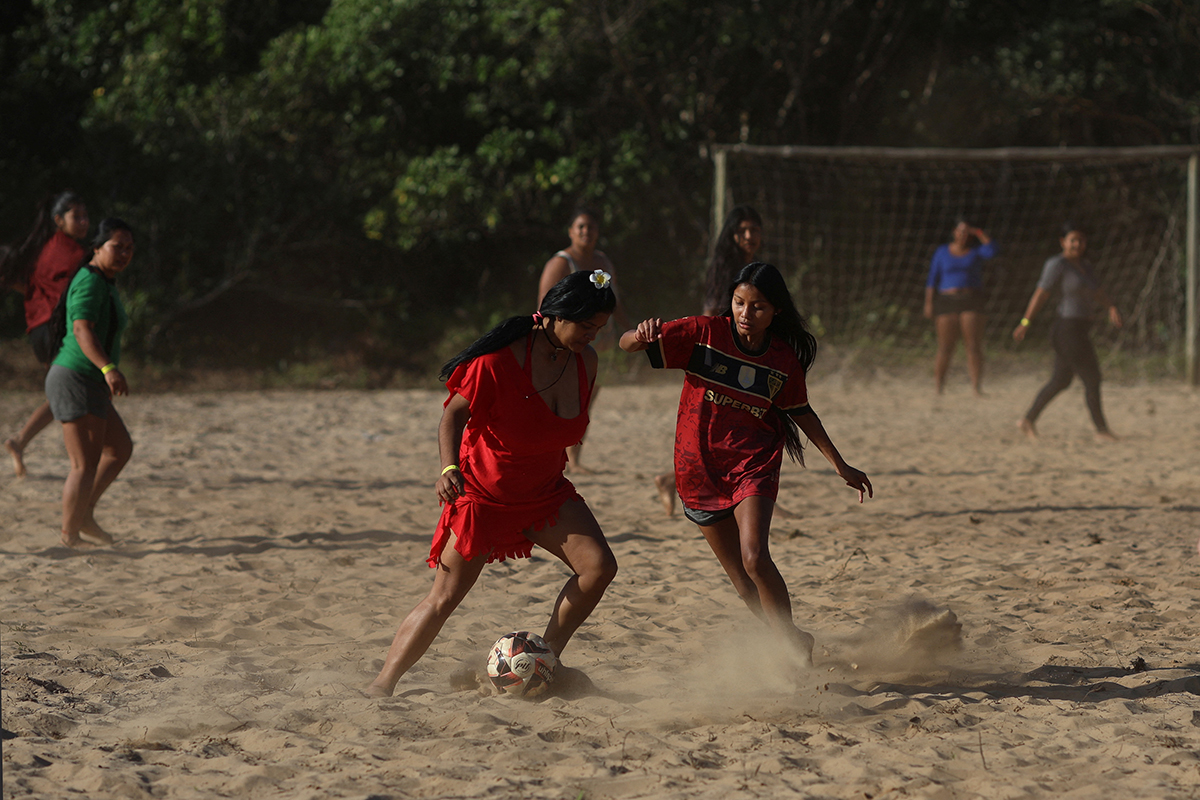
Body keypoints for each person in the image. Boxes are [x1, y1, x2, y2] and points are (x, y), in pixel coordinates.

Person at [368, 269, 619, 698]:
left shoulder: (585, 362)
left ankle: (544, 663)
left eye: (599, 329)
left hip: (544, 493)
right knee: (443, 599)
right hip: (483, 497)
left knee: (599, 568)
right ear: (556, 315)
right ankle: (381, 685)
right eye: (585, 327)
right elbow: (452, 415)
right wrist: (449, 469)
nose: (591, 338)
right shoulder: (497, 362)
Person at [620, 262, 872, 668]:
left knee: (755, 557)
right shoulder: (704, 334)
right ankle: (793, 638)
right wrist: (638, 335)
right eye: (739, 302)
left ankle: (791, 653)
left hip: (752, 465)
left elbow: (801, 412)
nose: (745, 313)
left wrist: (840, 465)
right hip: (696, 472)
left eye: (757, 306)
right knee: (742, 584)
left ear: (776, 313)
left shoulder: (782, 360)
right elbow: (625, 344)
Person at [44, 218, 135, 548]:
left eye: (129, 248)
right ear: (97, 247)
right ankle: (70, 535)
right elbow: (82, 329)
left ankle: (85, 515)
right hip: (76, 376)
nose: (123, 253)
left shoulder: (105, 281)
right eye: (116, 246)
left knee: (120, 448)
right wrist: (108, 367)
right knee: (84, 464)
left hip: (87, 379)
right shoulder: (92, 281)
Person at [0, 191, 91, 477]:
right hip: (56, 331)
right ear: (58, 220)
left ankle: (20, 441)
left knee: (64, 393)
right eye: (76, 216)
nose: (84, 222)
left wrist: (37, 300)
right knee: (75, 391)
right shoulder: (75, 254)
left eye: (85, 216)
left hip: (38, 332)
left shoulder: (38, 249)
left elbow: (15, 280)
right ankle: (82, 461)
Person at [537, 207, 629, 473]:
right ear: (570, 232)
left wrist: (630, 330)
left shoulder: (603, 262)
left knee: (585, 403)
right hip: (566, 347)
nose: (586, 232)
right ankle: (551, 456)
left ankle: (574, 459)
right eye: (581, 227)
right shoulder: (561, 263)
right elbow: (545, 305)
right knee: (561, 401)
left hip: (599, 345)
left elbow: (614, 302)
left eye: (591, 227)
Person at [1013, 224, 1123, 441]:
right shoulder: (1057, 265)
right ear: (1062, 242)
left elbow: (1097, 292)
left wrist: (1111, 306)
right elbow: (1041, 294)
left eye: (1081, 240)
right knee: (1092, 378)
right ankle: (1101, 430)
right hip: (1067, 329)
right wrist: (1025, 321)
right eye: (1072, 240)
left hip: (1081, 328)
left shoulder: (1085, 266)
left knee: (1061, 380)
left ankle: (1027, 420)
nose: (1077, 244)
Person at [923, 219, 996, 395]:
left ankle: (976, 388)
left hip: (971, 299)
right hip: (947, 300)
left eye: (966, 231)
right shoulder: (942, 252)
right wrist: (928, 303)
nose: (963, 234)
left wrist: (978, 231)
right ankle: (938, 387)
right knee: (945, 347)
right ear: (954, 232)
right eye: (960, 230)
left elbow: (993, 250)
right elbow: (932, 279)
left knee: (973, 346)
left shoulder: (976, 252)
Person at [702, 205, 763, 317]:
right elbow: (710, 310)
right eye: (741, 231)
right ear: (732, 235)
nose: (748, 236)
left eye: (754, 230)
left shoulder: (760, 268)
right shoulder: (723, 269)